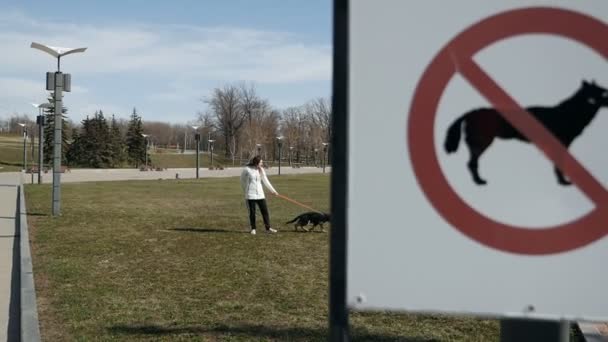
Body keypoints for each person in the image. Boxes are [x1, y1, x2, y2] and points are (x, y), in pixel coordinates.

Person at [240, 155, 279, 235]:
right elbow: (242, 180)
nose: (262, 163)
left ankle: (268, 228)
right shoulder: (247, 169)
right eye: (261, 162)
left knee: (265, 212)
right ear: (256, 162)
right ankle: (253, 228)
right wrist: (246, 190)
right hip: (250, 195)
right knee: (252, 213)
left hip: (261, 195)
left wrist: (273, 191)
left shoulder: (261, 170)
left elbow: (266, 181)